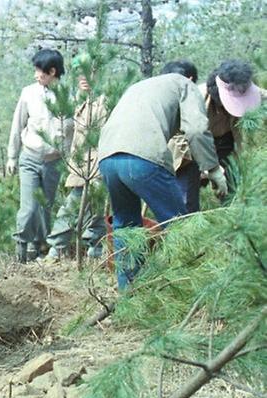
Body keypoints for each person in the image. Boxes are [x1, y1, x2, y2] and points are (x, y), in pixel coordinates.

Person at [97, 73, 225, 290]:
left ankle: (128, 294)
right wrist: (213, 169)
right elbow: (195, 130)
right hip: (142, 158)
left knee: (126, 226)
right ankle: (192, 288)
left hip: (107, 157)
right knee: (179, 225)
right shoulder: (187, 86)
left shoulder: (142, 85)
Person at [6, 49, 74, 263]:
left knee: (45, 207)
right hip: (30, 157)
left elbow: (76, 132)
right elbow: (17, 126)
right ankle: (21, 249)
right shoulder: (28, 93)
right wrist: (12, 156)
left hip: (54, 162)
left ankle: (41, 247)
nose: (36, 75)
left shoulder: (68, 96)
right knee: (28, 208)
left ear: (52, 71)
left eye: (39, 71)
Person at [45, 54, 107, 260]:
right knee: (74, 208)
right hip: (80, 166)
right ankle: (58, 250)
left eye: (87, 72)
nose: (83, 77)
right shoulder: (75, 102)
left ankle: (92, 251)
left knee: (94, 210)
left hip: (99, 166)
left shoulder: (105, 100)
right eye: (79, 73)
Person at [202, 59, 266, 193]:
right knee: (188, 192)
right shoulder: (197, 98)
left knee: (231, 185)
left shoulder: (243, 86)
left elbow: (263, 95)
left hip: (226, 141)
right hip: (198, 145)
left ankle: (228, 206)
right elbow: (185, 138)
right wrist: (207, 168)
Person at [162, 60, 203, 213]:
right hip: (180, 158)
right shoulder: (191, 96)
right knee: (184, 207)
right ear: (190, 80)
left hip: (164, 158)